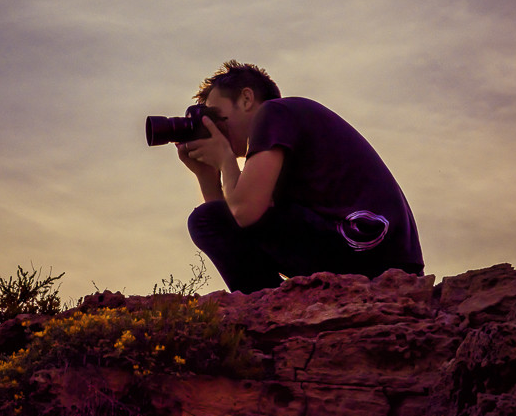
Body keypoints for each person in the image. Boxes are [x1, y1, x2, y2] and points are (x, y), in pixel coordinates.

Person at [178, 61, 423, 293]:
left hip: (363, 249)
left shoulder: (273, 113)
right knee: (211, 219)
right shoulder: (288, 136)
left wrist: (225, 158)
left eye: (215, 115)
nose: (213, 127)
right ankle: (270, 309)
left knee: (204, 220)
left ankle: (266, 311)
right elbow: (229, 225)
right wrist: (206, 175)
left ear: (246, 99)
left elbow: (244, 212)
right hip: (383, 256)